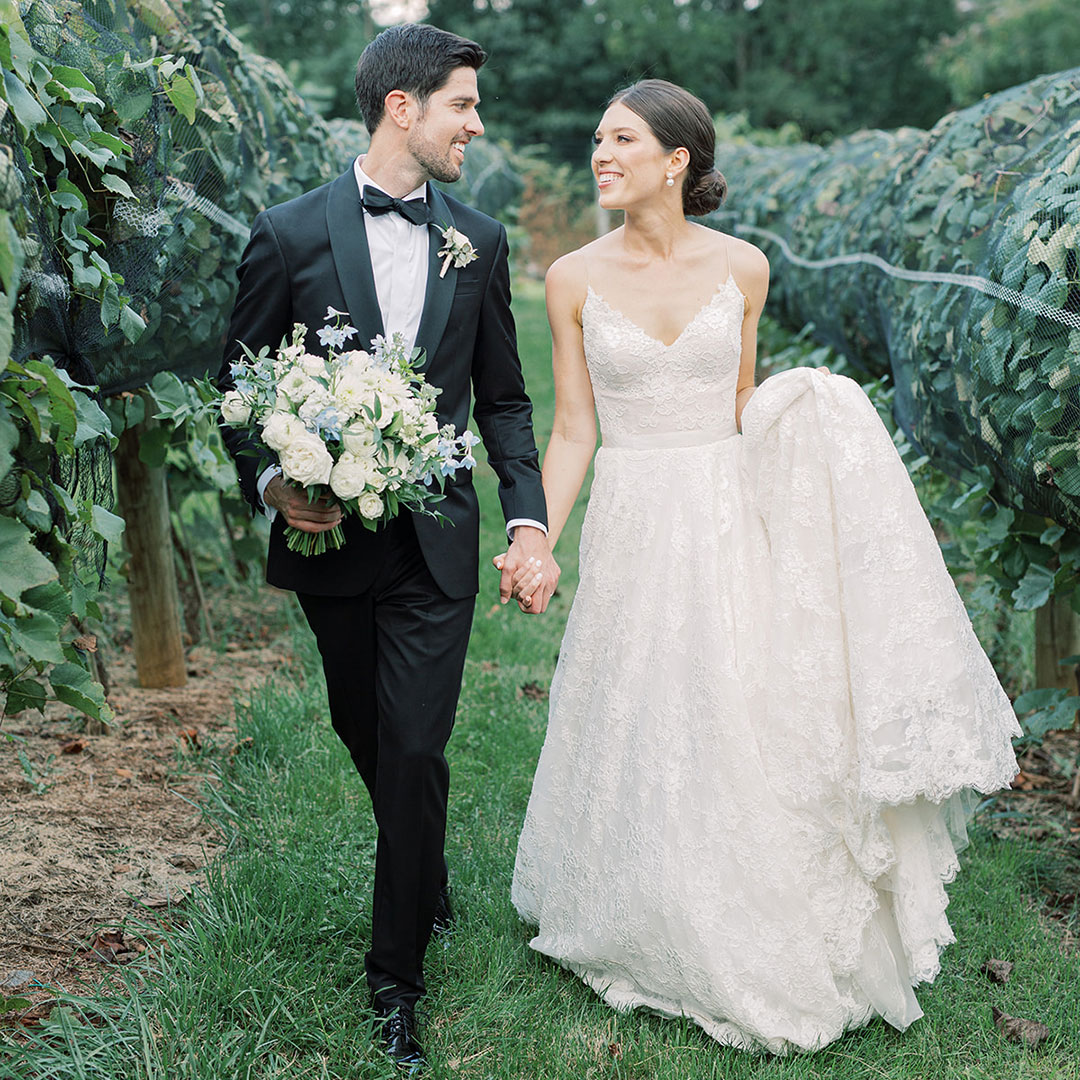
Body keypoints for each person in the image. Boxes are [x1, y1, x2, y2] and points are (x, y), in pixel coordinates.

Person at [507, 79, 1021, 1053]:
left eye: (622, 140)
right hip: (632, 512)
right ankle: (639, 895)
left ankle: (749, 903)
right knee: (643, 705)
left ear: (678, 161)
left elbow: (739, 407)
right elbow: (573, 427)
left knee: (733, 703)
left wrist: (813, 416)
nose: (600, 157)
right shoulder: (572, 277)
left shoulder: (742, 269)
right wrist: (536, 532)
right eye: (598, 142)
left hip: (722, 509)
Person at [218, 23, 558, 1071]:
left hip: (437, 545)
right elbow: (235, 395)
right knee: (370, 738)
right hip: (332, 547)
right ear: (401, 108)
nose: (477, 124)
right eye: (463, 103)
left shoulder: (481, 242)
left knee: (414, 745)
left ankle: (396, 982)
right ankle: (427, 866)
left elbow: (501, 398)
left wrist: (529, 516)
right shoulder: (284, 235)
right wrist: (277, 483)